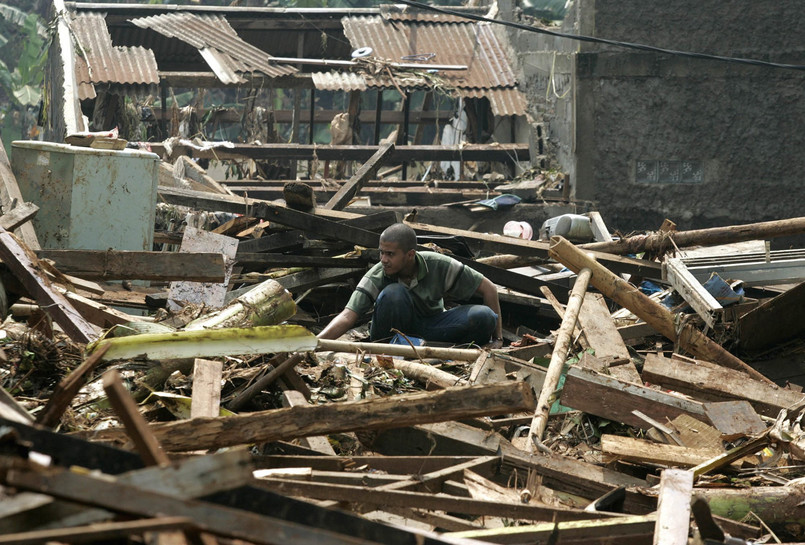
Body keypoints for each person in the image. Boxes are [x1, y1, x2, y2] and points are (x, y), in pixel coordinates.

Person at [318, 223, 503, 347]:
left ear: (410, 254)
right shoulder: (377, 273)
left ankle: (454, 351)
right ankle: (390, 352)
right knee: (393, 293)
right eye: (381, 253)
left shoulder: (439, 265)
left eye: (390, 254)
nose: (383, 260)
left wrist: (498, 339)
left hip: (433, 326)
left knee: (485, 316)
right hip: (391, 336)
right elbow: (347, 316)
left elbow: (490, 289)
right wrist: (313, 344)